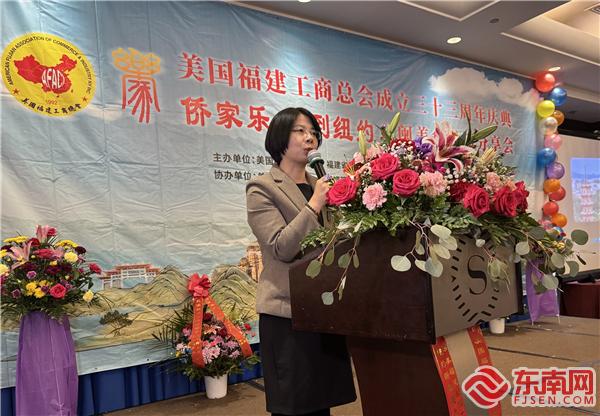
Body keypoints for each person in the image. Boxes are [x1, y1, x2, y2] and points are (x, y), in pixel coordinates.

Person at [246, 107, 356, 416]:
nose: (310, 138)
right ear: (280, 137)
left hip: (325, 310)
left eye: (313, 132)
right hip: (287, 315)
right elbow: (281, 247)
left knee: (322, 405)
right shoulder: (262, 188)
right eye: (300, 131)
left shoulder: (321, 185)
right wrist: (314, 204)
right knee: (293, 408)